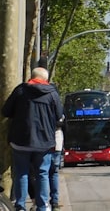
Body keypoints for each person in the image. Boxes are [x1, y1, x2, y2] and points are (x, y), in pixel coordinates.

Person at [2, 67, 64, 211]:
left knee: (21, 174)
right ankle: (42, 207)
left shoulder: (20, 91)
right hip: (44, 142)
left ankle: (20, 206)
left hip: (21, 141)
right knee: (42, 174)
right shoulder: (52, 94)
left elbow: (6, 111)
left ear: (31, 77)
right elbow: (59, 115)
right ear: (46, 80)